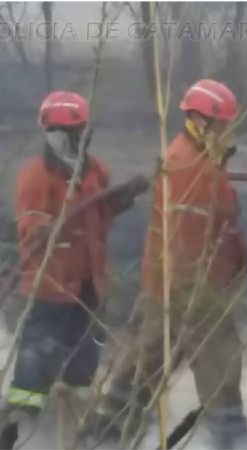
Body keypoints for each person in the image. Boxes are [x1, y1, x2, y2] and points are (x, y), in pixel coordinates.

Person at [87, 79, 247, 449]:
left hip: (179, 286)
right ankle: (231, 438)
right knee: (216, 359)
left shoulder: (202, 159)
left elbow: (222, 225)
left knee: (147, 359)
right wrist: (200, 295)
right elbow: (190, 242)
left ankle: (110, 429)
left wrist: (241, 258)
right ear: (201, 121)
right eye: (223, 124)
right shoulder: (188, 167)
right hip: (190, 288)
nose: (227, 131)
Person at [2, 91, 148, 423]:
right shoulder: (36, 176)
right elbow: (30, 225)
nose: (78, 136)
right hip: (51, 284)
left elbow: (100, 215)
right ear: (53, 132)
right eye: (71, 130)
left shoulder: (95, 169)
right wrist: (46, 226)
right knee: (37, 352)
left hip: (89, 282)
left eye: (80, 129)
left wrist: (124, 197)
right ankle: (23, 417)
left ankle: (71, 414)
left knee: (83, 352)